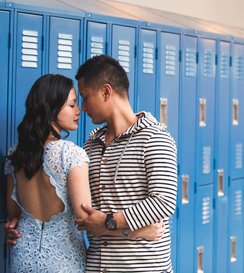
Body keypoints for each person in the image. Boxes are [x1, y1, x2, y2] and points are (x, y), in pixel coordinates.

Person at [3, 74, 164, 272]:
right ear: (51, 109)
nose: (79, 110)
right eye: (72, 105)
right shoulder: (71, 154)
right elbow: (86, 220)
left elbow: (13, 216)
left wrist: (12, 229)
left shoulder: (14, 154)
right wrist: (139, 232)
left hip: (22, 257)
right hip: (62, 261)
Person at [74, 55, 178, 272]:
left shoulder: (154, 138)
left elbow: (163, 201)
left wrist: (108, 222)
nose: (82, 107)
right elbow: (84, 212)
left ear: (106, 91)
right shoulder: (91, 144)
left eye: (85, 97)